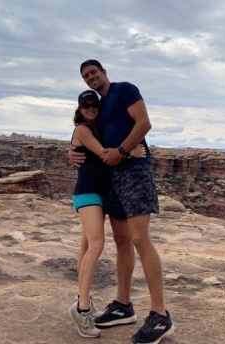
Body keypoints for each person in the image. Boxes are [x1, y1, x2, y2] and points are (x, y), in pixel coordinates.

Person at [69, 60, 175, 344]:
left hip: (134, 173)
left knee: (140, 238)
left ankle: (160, 315)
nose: (91, 77)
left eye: (94, 72)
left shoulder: (125, 90)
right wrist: (72, 150)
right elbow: (87, 137)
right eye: (85, 76)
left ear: (104, 72)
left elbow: (144, 123)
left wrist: (123, 151)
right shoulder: (100, 108)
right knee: (121, 240)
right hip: (113, 179)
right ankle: (123, 305)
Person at [68, 90, 146, 338]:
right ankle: (82, 309)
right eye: (86, 105)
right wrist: (130, 151)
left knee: (86, 246)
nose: (91, 108)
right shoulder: (82, 129)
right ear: (79, 110)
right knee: (97, 245)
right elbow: (103, 153)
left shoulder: (96, 128)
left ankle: (81, 300)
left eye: (94, 105)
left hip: (101, 195)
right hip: (88, 193)